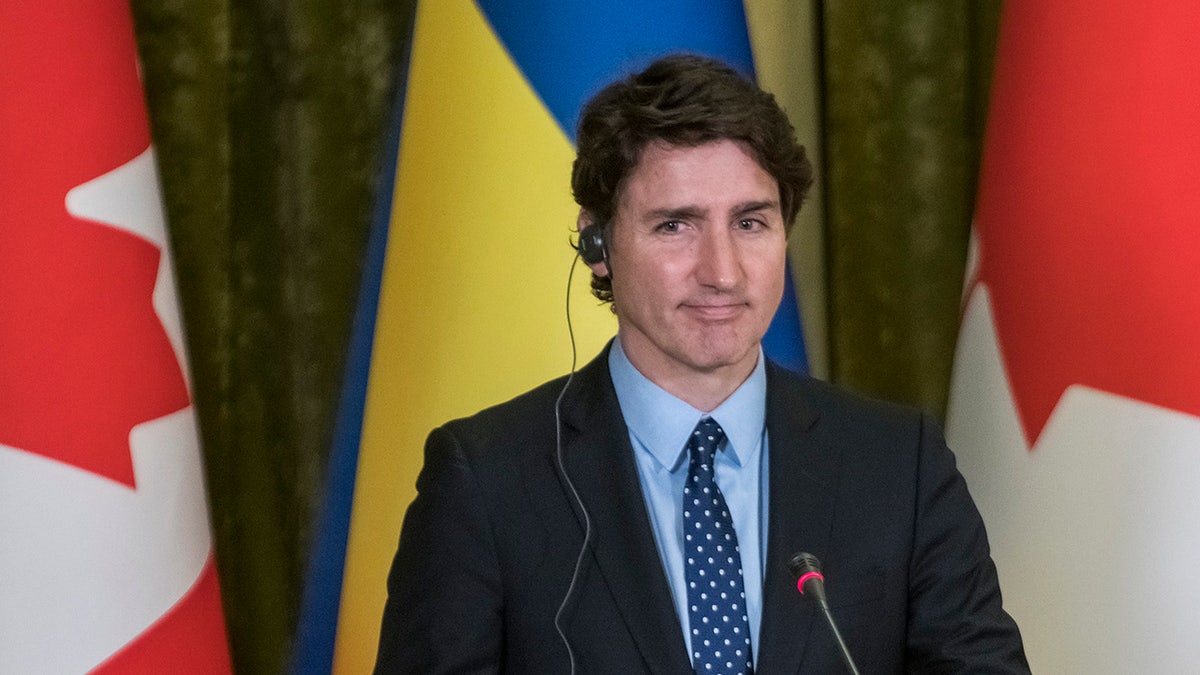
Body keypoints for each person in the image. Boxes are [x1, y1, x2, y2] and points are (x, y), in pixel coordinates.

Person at [375, 54, 1028, 674]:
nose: (722, 272)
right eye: (675, 225)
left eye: (750, 223)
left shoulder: (898, 466)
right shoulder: (484, 483)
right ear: (597, 245)